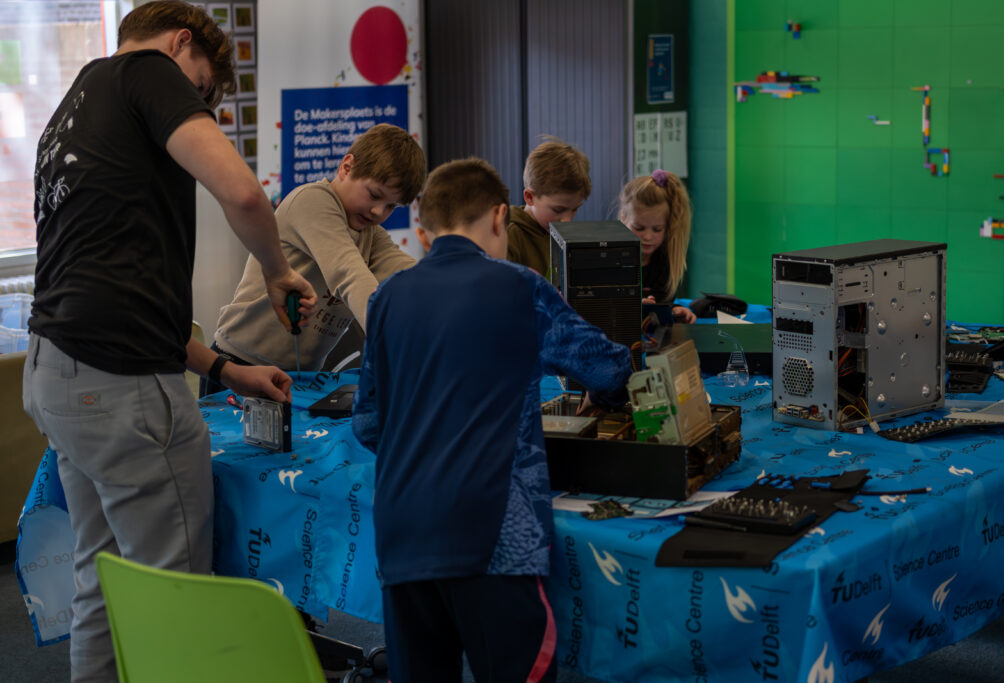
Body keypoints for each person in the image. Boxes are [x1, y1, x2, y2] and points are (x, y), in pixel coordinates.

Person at [22, 3, 316, 680]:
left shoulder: (77, 100)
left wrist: (222, 367)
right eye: (203, 92)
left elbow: (112, 291)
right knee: (179, 591)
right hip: (117, 387)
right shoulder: (150, 73)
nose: (198, 106)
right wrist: (277, 270)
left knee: (104, 577)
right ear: (182, 43)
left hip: (59, 371)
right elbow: (244, 195)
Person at [352, 158, 632, 683]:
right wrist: (607, 397)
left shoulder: (386, 297)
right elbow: (608, 365)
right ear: (501, 217)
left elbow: (368, 424)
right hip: (493, 537)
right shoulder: (519, 287)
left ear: (423, 227)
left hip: (403, 534)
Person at [204, 123, 426, 394]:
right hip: (240, 366)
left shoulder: (370, 233)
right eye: (374, 195)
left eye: (392, 206)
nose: (379, 211)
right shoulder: (313, 201)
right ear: (347, 167)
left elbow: (412, 279)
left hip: (298, 379)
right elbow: (349, 275)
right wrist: (401, 344)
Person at [618, 169, 697, 323]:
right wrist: (634, 307)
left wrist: (673, 310)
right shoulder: (608, 259)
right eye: (639, 228)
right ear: (623, 219)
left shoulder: (664, 260)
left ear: (667, 227)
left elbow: (662, 302)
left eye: (657, 229)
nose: (648, 237)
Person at [506, 138, 591, 278]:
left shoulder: (555, 231)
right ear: (529, 197)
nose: (567, 220)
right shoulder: (511, 234)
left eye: (575, 209)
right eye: (558, 210)